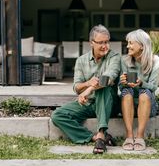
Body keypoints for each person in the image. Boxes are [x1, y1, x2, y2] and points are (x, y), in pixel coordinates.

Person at [51, 24, 121, 154]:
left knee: (103, 87)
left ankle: (101, 133)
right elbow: (77, 88)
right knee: (57, 115)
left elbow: (108, 78)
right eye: (100, 42)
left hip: (109, 104)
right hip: (89, 104)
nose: (104, 46)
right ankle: (94, 137)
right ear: (91, 43)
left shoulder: (114, 57)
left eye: (107, 42)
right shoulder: (81, 61)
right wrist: (87, 83)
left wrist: (88, 90)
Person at [119, 29, 159, 151]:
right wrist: (122, 83)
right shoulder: (124, 60)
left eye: (131, 43)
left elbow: (153, 87)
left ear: (142, 46)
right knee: (126, 92)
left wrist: (141, 83)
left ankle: (140, 136)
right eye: (128, 43)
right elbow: (120, 88)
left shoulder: (154, 60)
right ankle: (129, 135)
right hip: (129, 106)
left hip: (147, 105)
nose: (128, 46)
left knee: (145, 92)